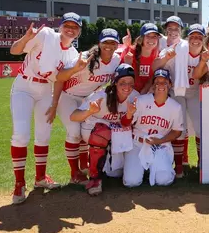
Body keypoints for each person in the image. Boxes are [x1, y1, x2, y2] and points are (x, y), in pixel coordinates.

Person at [8, 12, 82, 204]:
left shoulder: (73, 54)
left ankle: (40, 178)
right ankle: (19, 183)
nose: (70, 29)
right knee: (21, 135)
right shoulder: (46, 34)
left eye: (75, 27)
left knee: (43, 135)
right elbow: (14, 51)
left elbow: (60, 79)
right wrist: (26, 38)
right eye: (67, 25)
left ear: (79, 31)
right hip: (24, 86)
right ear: (61, 26)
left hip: (45, 91)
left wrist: (55, 103)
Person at [55, 28, 122, 184]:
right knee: (74, 132)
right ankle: (74, 173)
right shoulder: (85, 57)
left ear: (117, 45)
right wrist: (75, 69)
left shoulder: (117, 60)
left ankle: (84, 166)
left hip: (87, 98)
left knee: (88, 131)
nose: (109, 46)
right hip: (68, 97)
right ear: (99, 43)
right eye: (106, 42)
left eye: (113, 42)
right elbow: (59, 77)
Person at [70, 64, 140, 196]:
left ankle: (107, 162)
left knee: (115, 173)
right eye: (122, 83)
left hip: (114, 132)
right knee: (102, 132)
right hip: (93, 129)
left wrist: (129, 115)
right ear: (115, 83)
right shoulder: (102, 96)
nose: (127, 87)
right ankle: (95, 178)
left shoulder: (134, 97)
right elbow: (73, 116)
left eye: (131, 83)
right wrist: (90, 111)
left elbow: (125, 124)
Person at [154, 23, 209, 177]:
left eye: (199, 36)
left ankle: (202, 164)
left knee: (200, 127)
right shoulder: (176, 49)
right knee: (180, 127)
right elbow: (155, 66)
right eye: (193, 36)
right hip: (177, 91)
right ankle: (178, 166)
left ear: (204, 38)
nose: (196, 39)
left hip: (194, 91)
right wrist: (166, 57)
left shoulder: (206, 54)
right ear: (187, 37)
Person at [121, 69, 184, 188]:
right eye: (157, 82)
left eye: (164, 82)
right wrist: (129, 114)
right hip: (138, 144)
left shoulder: (175, 107)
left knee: (164, 180)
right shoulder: (141, 100)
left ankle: (153, 167)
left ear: (170, 85)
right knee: (131, 182)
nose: (160, 85)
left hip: (159, 146)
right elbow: (125, 123)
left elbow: (177, 131)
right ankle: (142, 167)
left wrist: (159, 141)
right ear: (153, 85)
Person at [121, 23, 161, 93]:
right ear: (142, 38)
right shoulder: (130, 52)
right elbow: (120, 77)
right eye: (148, 36)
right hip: (129, 92)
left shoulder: (158, 55)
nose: (151, 39)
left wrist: (144, 91)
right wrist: (128, 65)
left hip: (148, 93)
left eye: (154, 36)